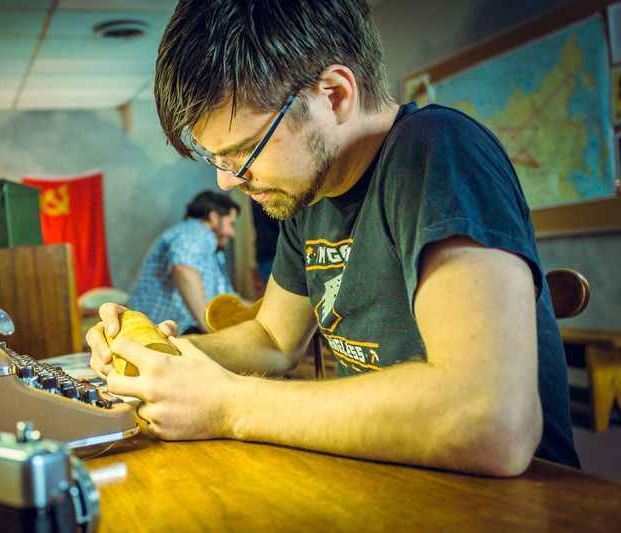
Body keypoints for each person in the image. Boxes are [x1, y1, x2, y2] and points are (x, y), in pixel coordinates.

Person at [88, 0, 579, 476]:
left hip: (505, 503)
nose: (227, 182)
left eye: (243, 150)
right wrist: (162, 361)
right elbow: (273, 339)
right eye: (218, 158)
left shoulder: (439, 153)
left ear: (335, 95)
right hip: (390, 478)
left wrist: (229, 406)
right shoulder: (311, 193)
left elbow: (492, 421)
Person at [126, 190, 239, 334]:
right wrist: (210, 329)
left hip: (170, 331)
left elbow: (229, 299)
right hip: (158, 333)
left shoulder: (212, 250)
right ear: (214, 218)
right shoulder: (196, 232)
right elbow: (183, 269)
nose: (232, 233)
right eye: (231, 224)